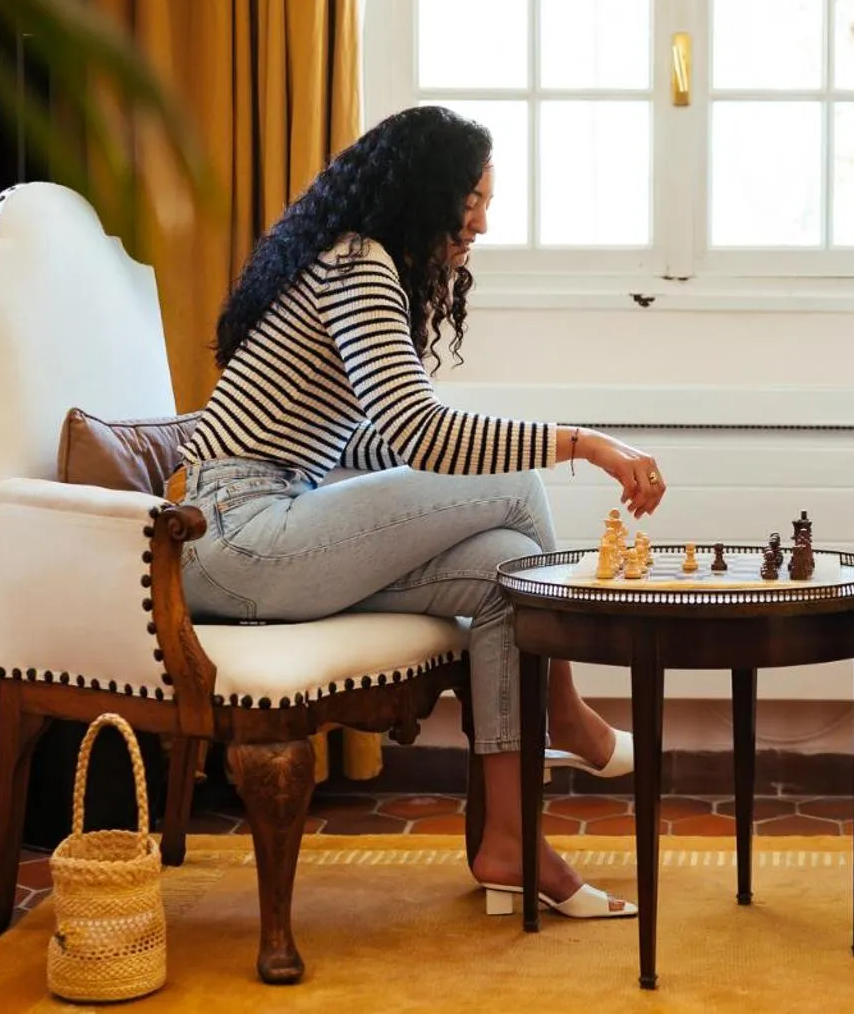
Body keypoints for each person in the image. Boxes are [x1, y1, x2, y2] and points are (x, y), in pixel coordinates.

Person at [178, 105, 666, 919]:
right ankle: (567, 711)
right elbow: (419, 432)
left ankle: (509, 839)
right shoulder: (357, 262)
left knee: (505, 564)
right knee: (519, 487)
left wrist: (450, 480)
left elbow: (372, 444)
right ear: (424, 189)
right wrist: (582, 442)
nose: (482, 219)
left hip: (276, 525)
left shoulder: (356, 264)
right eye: (470, 198)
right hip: (235, 534)